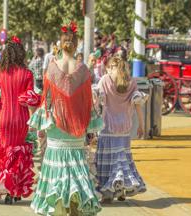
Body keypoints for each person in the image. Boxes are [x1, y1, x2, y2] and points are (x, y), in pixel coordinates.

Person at [30, 21, 101, 216]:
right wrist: (90, 129)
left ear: (61, 44)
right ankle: (76, 209)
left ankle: (58, 208)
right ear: (76, 45)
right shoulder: (84, 70)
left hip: (56, 126)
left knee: (57, 173)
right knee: (77, 172)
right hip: (76, 127)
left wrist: (41, 127)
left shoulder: (52, 69)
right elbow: (88, 103)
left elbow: (47, 101)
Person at [0, 36, 41, 203]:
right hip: (21, 118)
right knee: (18, 153)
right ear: (21, 55)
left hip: (4, 117)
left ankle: (4, 187)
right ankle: (14, 190)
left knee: (5, 152)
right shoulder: (27, 73)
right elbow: (30, 99)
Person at [96, 57, 147, 203]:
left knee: (108, 160)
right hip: (125, 127)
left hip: (107, 127)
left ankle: (108, 192)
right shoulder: (131, 82)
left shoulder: (105, 80)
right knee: (122, 158)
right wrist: (141, 126)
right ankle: (121, 189)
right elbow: (137, 105)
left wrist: (91, 124)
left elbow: (96, 103)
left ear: (111, 67)